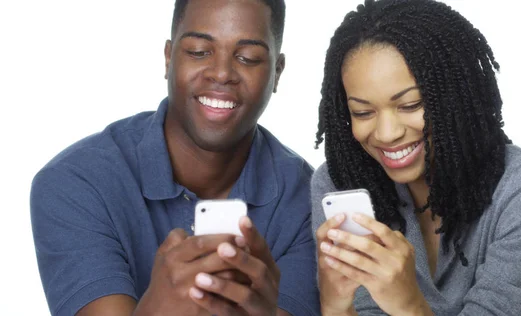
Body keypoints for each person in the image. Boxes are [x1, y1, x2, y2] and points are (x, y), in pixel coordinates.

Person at [30, 0, 320, 315]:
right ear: (169, 58)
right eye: (198, 51)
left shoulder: (308, 202)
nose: (222, 73)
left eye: (248, 58)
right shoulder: (76, 183)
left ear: (277, 73)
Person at [311, 0, 521, 315]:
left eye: (410, 105)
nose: (387, 133)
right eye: (362, 112)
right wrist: (334, 305)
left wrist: (408, 305)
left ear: (457, 96)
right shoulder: (342, 183)